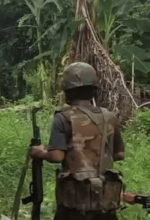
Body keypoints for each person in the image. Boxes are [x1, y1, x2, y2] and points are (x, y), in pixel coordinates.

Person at [30, 62, 125, 220]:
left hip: (74, 205)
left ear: (67, 91)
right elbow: (119, 154)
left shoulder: (63, 118)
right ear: (94, 90)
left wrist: (39, 152)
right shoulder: (109, 117)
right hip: (104, 203)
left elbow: (56, 156)